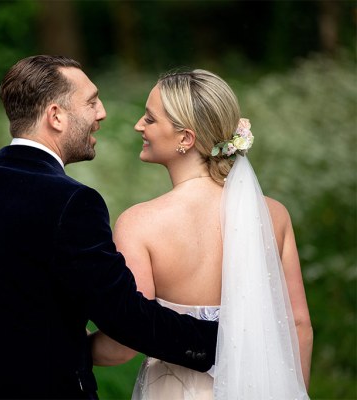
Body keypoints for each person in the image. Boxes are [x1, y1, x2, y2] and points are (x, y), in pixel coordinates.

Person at [0, 55, 219, 399]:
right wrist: (221, 341)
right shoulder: (71, 202)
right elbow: (123, 317)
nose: (102, 112)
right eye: (91, 101)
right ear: (56, 116)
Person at [90, 69, 313, 399]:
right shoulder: (273, 215)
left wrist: (69, 347)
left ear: (186, 138)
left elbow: (125, 341)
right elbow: (298, 326)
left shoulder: (140, 223)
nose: (139, 125)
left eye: (150, 119)